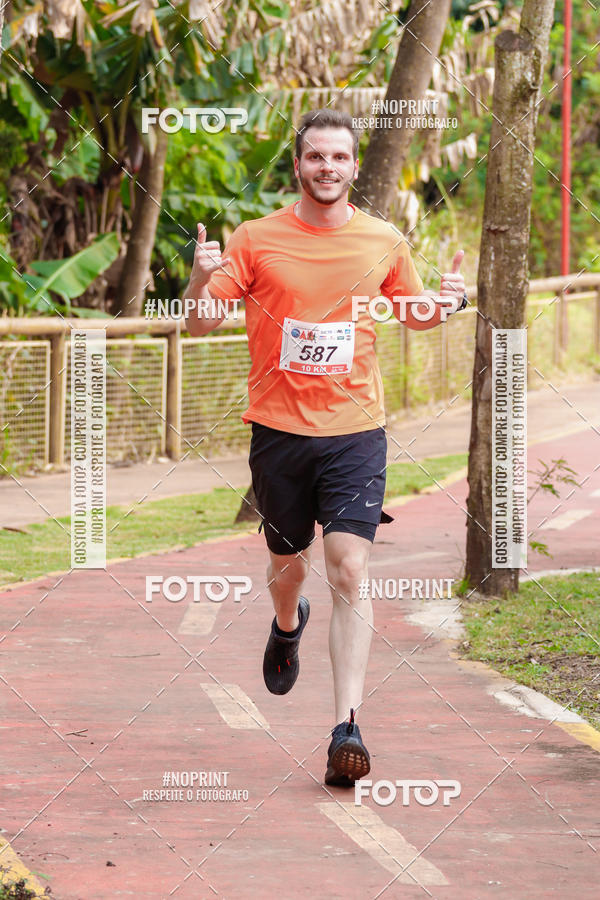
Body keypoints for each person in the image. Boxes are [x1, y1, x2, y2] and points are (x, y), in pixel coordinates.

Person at [184, 108, 466, 787]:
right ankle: (287, 624)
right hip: (279, 433)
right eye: (317, 158)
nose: (329, 169)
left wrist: (449, 301)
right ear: (298, 166)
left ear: (352, 167)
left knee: (347, 569)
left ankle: (347, 725)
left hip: (356, 431)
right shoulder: (256, 239)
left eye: (340, 158)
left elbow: (413, 311)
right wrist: (199, 277)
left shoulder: (382, 239)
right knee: (289, 565)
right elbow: (198, 324)